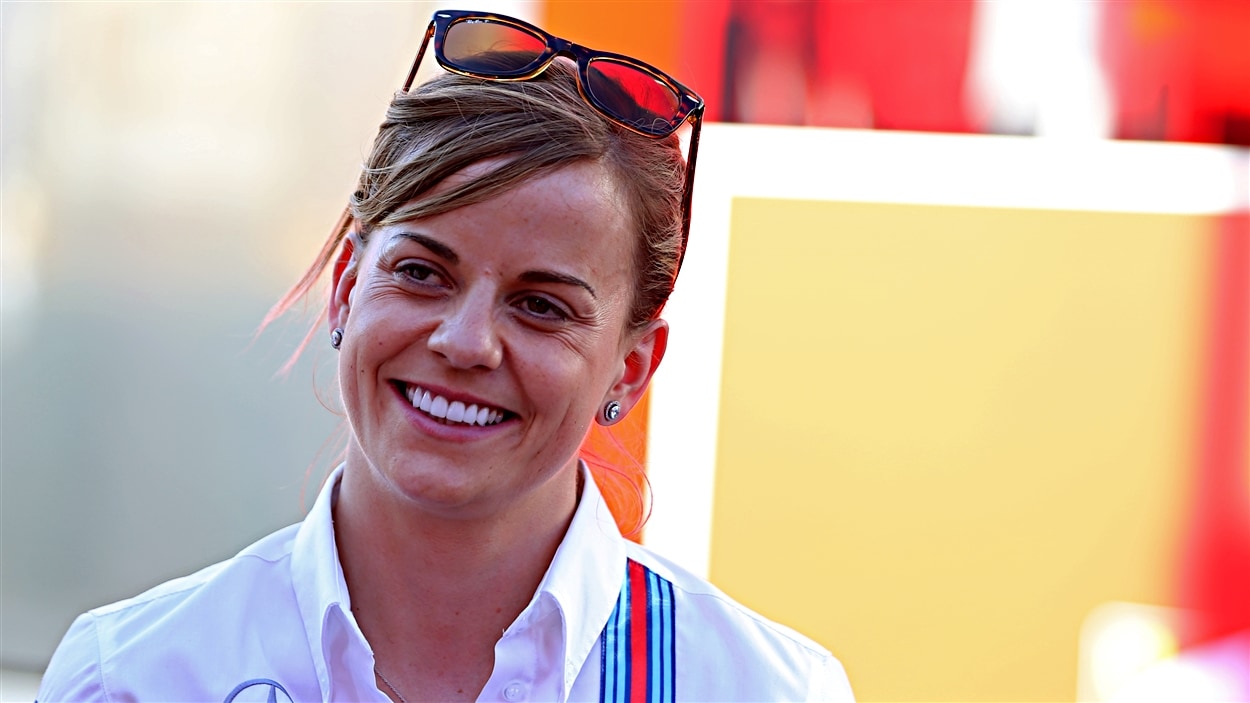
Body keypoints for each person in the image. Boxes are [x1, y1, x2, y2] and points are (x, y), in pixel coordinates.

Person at [37, 9, 855, 702]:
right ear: (348, 287)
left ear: (632, 368)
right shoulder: (134, 676)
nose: (464, 342)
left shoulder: (760, 686)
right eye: (422, 272)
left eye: (541, 306)